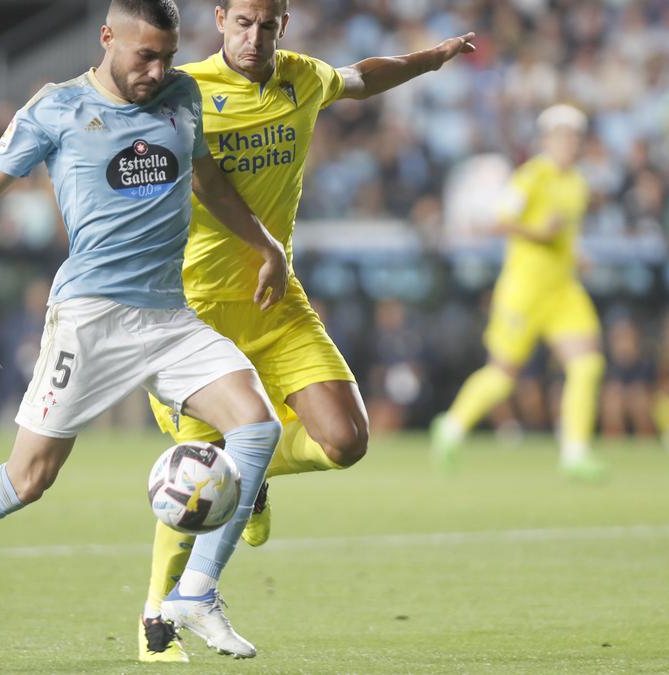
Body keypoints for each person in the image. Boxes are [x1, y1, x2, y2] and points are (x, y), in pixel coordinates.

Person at [0, 0, 291, 665]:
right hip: (90, 318)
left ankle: (195, 592)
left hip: (169, 317)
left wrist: (267, 246)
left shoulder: (182, 97)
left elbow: (209, 181)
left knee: (258, 426)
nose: (157, 71)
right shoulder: (56, 108)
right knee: (27, 477)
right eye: (144, 56)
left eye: (167, 57)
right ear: (107, 38)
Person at [137, 0, 476, 661]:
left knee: (345, 440)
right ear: (220, 19)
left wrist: (430, 59)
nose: (254, 37)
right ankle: (156, 621)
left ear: (283, 25)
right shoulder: (185, 91)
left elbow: (362, 77)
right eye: (243, 23)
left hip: (275, 302)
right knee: (197, 470)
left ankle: (252, 474)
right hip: (193, 309)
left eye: (267, 25)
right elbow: (192, 176)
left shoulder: (303, 77)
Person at [430, 104, 607, 480]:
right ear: (546, 140)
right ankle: (451, 426)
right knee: (503, 375)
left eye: (574, 136)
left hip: (562, 289)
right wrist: (539, 233)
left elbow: (563, 234)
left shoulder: (577, 182)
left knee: (586, 364)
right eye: (561, 136)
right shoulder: (531, 176)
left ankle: (575, 452)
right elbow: (499, 221)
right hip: (524, 290)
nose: (568, 143)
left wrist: (576, 254)